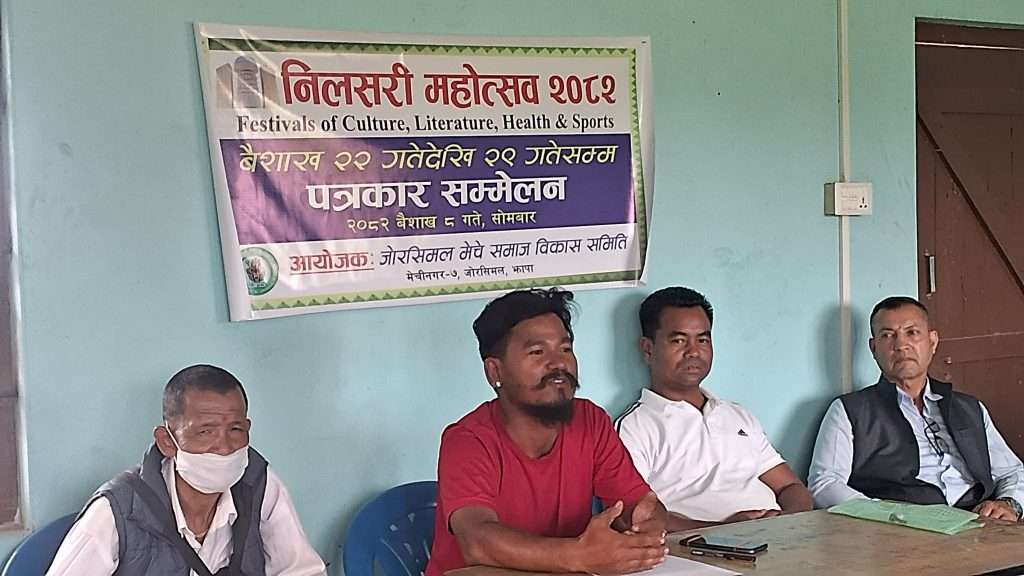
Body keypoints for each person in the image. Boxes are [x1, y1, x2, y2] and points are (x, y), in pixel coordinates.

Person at [425, 288, 668, 576]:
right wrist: (581, 555)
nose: (559, 364)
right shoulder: (468, 440)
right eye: (537, 352)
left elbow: (638, 503)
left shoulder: (590, 421)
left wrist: (647, 524)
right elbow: (477, 542)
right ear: (495, 372)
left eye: (565, 349)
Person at [47, 364, 326, 576]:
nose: (224, 446)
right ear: (167, 441)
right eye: (205, 431)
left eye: (235, 429)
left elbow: (302, 570)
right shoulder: (117, 510)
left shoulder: (258, 484)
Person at [808, 296, 1024, 521]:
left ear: (932, 341)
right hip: (901, 528)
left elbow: (1012, 471)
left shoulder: (969, 408)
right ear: (873, 348)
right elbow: (824, 484)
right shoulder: (849, 411)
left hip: (979, 522)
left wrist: (1009, 503)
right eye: (887, 335)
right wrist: (884, 515)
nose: (901, 345)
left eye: (912, 332)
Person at [616, 287, 812, 530]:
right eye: (678, 340)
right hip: (696, 546)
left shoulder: (737, 415)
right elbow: (632, 515)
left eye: (703, 340)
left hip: (777, 537)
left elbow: (790, 486)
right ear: (648, 349)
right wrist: (722, 531)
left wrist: (788, 520)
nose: (694, 352)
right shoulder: (636, 427)